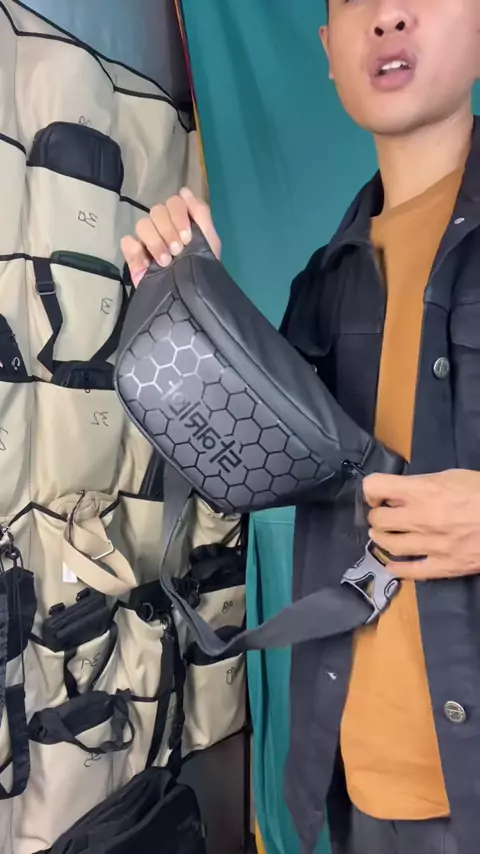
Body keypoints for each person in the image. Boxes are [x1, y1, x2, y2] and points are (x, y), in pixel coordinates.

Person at [121, 0, 480, 851]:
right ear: (328, 49)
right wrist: (186, 301)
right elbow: (246, 470)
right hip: (358, 788)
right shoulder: (323, 283)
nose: (387, 15)